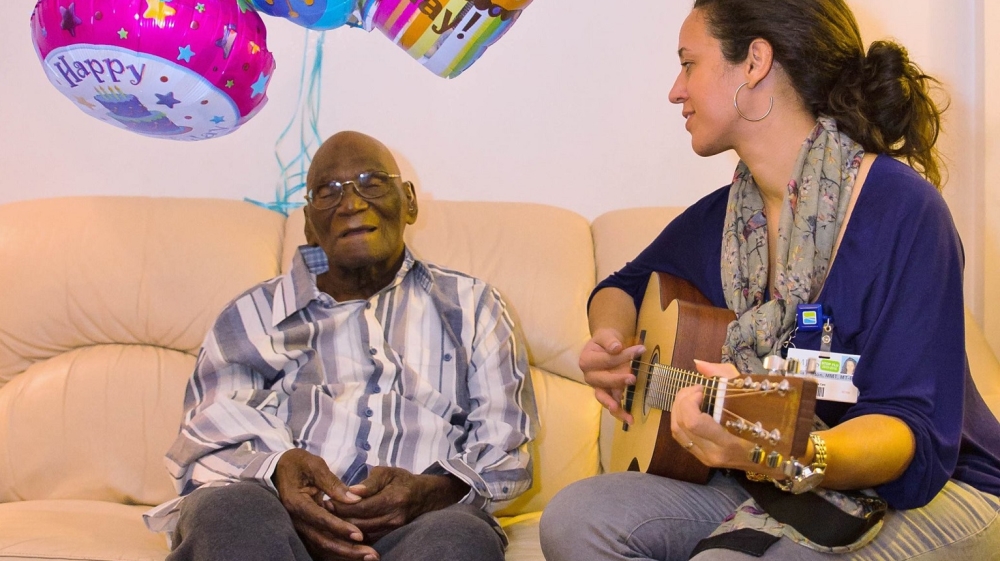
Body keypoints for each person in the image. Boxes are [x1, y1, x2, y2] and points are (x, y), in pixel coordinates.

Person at [539, 1, 1000, 559]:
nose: (675, 91)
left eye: (689, 64)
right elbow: (623, 286)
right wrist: (613, 346)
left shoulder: (902, 210)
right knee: (577, 518)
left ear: (754, 63)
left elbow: (909, 433)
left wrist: (784, 453)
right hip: (774, 480)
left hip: (936, 490)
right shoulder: (728, 221)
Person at [143, 131, 537, 561]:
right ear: (309, 222)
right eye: (328, 192)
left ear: (408, 200)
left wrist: (431, 491)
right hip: (276, 523)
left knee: (460, 536)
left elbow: (508, 450)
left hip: (418, 526)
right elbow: (204, 439)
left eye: (371, 182)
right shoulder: (252, 314)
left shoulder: (473, 305)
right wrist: (276, 472)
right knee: (228, 508)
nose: (351, 204)